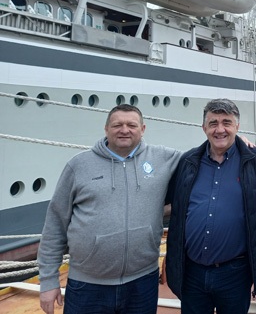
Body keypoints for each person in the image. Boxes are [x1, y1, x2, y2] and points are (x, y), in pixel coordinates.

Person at [37, 104, 182, 314]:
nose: (124, 130)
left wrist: (232, 144)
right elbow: (55, 225)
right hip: (88, 284)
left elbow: (204, 157)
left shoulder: (163, 158)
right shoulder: (78, 165)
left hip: (142, 282)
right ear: (106, 129)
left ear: (142, 129)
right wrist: (49, 281)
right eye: (117, 125)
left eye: (131, 125)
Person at [165, 98, 256, 314]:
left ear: (237, 126)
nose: (220, 130)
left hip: (235, 273)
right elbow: (169, 201)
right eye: (213, 123)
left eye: (227, 123)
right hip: (192, 273)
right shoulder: (188, 161)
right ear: (204, 128)